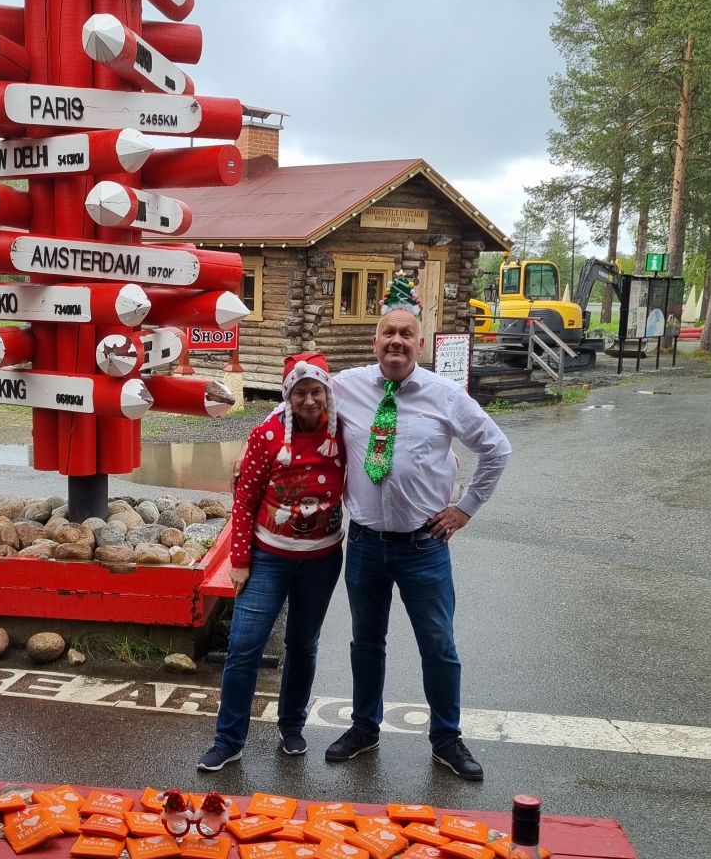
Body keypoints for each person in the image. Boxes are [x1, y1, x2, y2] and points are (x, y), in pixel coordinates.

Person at [325, 276, 511, 782]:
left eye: (407, 334)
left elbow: (496, 449)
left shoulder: (445, 395)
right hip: (364, 543)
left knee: (439, 645)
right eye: (389, 333)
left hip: (424, 545)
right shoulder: (345, 387)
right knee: (366, 642)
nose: (397, 343)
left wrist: (466, 508)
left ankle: (446, 738)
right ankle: (364, 728)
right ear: (375, 340)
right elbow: (291, 409)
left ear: (420, 344)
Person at [197, 352, 346, 774]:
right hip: (268, 558)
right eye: (300, 392)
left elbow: (380, 462)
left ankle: (292, 725)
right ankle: (228, 740)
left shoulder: (343, 432)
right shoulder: (266, 435)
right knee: (244, 646)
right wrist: (240, 561)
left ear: (326, 392)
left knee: (302, 644)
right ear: (288, 395)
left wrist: (441, 462)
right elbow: (244, 499)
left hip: (321, 560)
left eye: (317, 390)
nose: (310, 400)